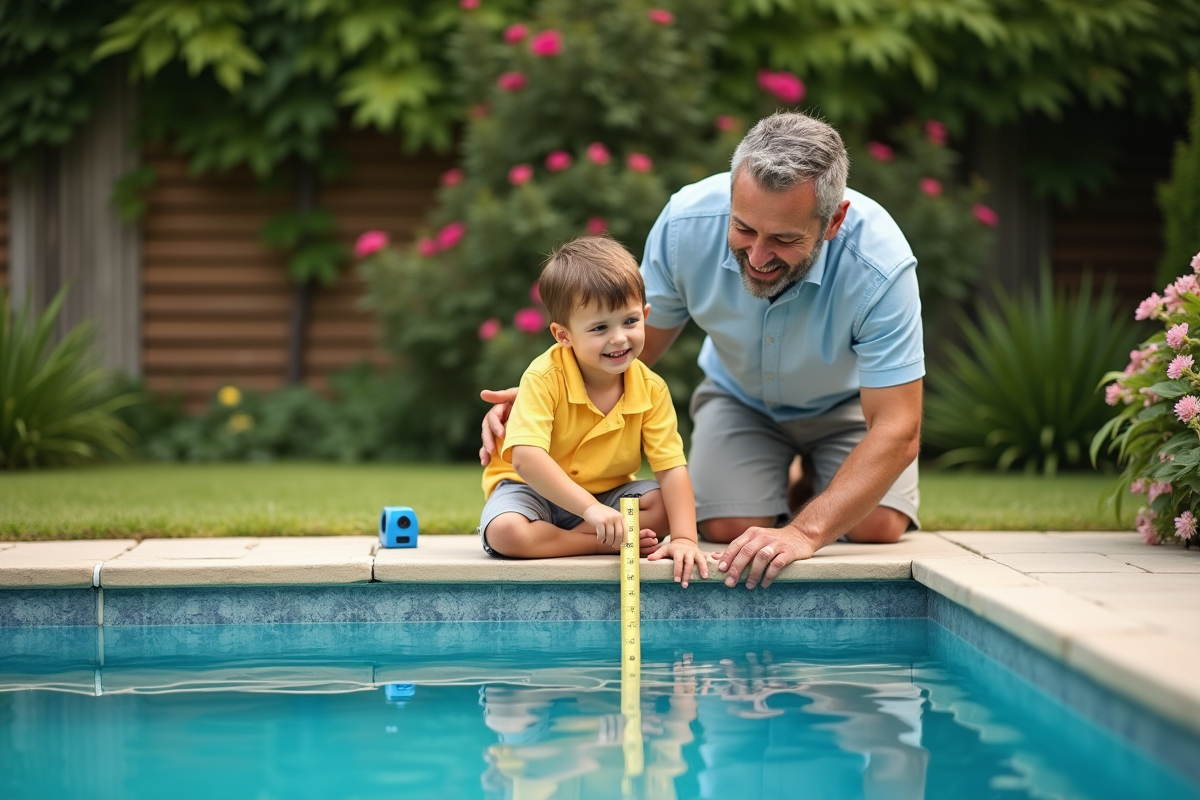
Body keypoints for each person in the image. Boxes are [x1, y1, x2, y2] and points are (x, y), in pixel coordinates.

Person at [481, 112, 923, 590]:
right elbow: (625, 348)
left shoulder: (881, 268)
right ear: (732, 194)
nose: (757, 256)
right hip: (740, 400)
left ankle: (810, 477)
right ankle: (794, 479)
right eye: (744, 228)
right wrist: (540, 398)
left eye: (784, 239)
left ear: (833, 220)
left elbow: (898, 428)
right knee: (728, 527)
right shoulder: (684, 225)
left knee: (877, 527)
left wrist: (803, 533)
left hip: (845, 408)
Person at [478, 236, 709, 586]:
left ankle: (593, 536)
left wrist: (685, 540)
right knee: (506, 532)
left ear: (646, 315)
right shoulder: (543, 378)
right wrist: (590, 510)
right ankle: (598, 543)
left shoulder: (652, 388)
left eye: (630, 321)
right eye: (600, 328)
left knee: (662, 506)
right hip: (530, 489)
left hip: (607, 492)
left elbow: (671, 468)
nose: (618, 338)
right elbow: (526, 458)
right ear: (563, 335)